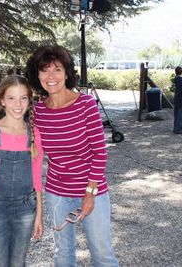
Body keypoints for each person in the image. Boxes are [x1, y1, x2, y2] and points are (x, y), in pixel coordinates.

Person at [26, 45, 119, 267]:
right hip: (57, 193)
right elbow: (30, 151)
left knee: (102, 255)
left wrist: (89, 193)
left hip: (92, 191)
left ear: (66, 73)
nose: (51, 76)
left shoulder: (85, 104)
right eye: (44, 70)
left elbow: (100, 153)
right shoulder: (37, 112)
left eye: (57, 69)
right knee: (62, 255)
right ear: (37, 75)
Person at [0, 75, 43, 267]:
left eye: (23, 98)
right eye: (11, 98)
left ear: (30, 100)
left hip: (26, 209)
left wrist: (39, 215)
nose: (18, 104)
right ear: (2, 100)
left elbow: (37, 177)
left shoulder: (34, 133)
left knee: (18, 262)